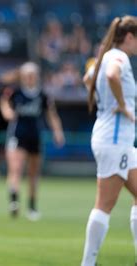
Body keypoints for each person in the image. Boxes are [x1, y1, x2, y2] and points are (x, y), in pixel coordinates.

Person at [80, 16, 137, 266]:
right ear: (129, 37)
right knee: (104, 204)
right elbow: (113, 76)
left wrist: (107, 103)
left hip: (114, 139)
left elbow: (86, 79)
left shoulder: (104, 56)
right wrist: (123, 106)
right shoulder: (119, 57)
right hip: (114, 140)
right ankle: (88, 263)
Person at [0, 61, 65, 221]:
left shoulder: (43, 95)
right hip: (17, 135)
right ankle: (14, 200)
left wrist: (58, 132)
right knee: (16, 168)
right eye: (27, 75)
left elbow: (51, 114)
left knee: (33, 173)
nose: (29, 78)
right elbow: (4, 101)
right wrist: (7, 112)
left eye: (32, 75)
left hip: (35, 136)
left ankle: (32, 206)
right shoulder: (15, 92)